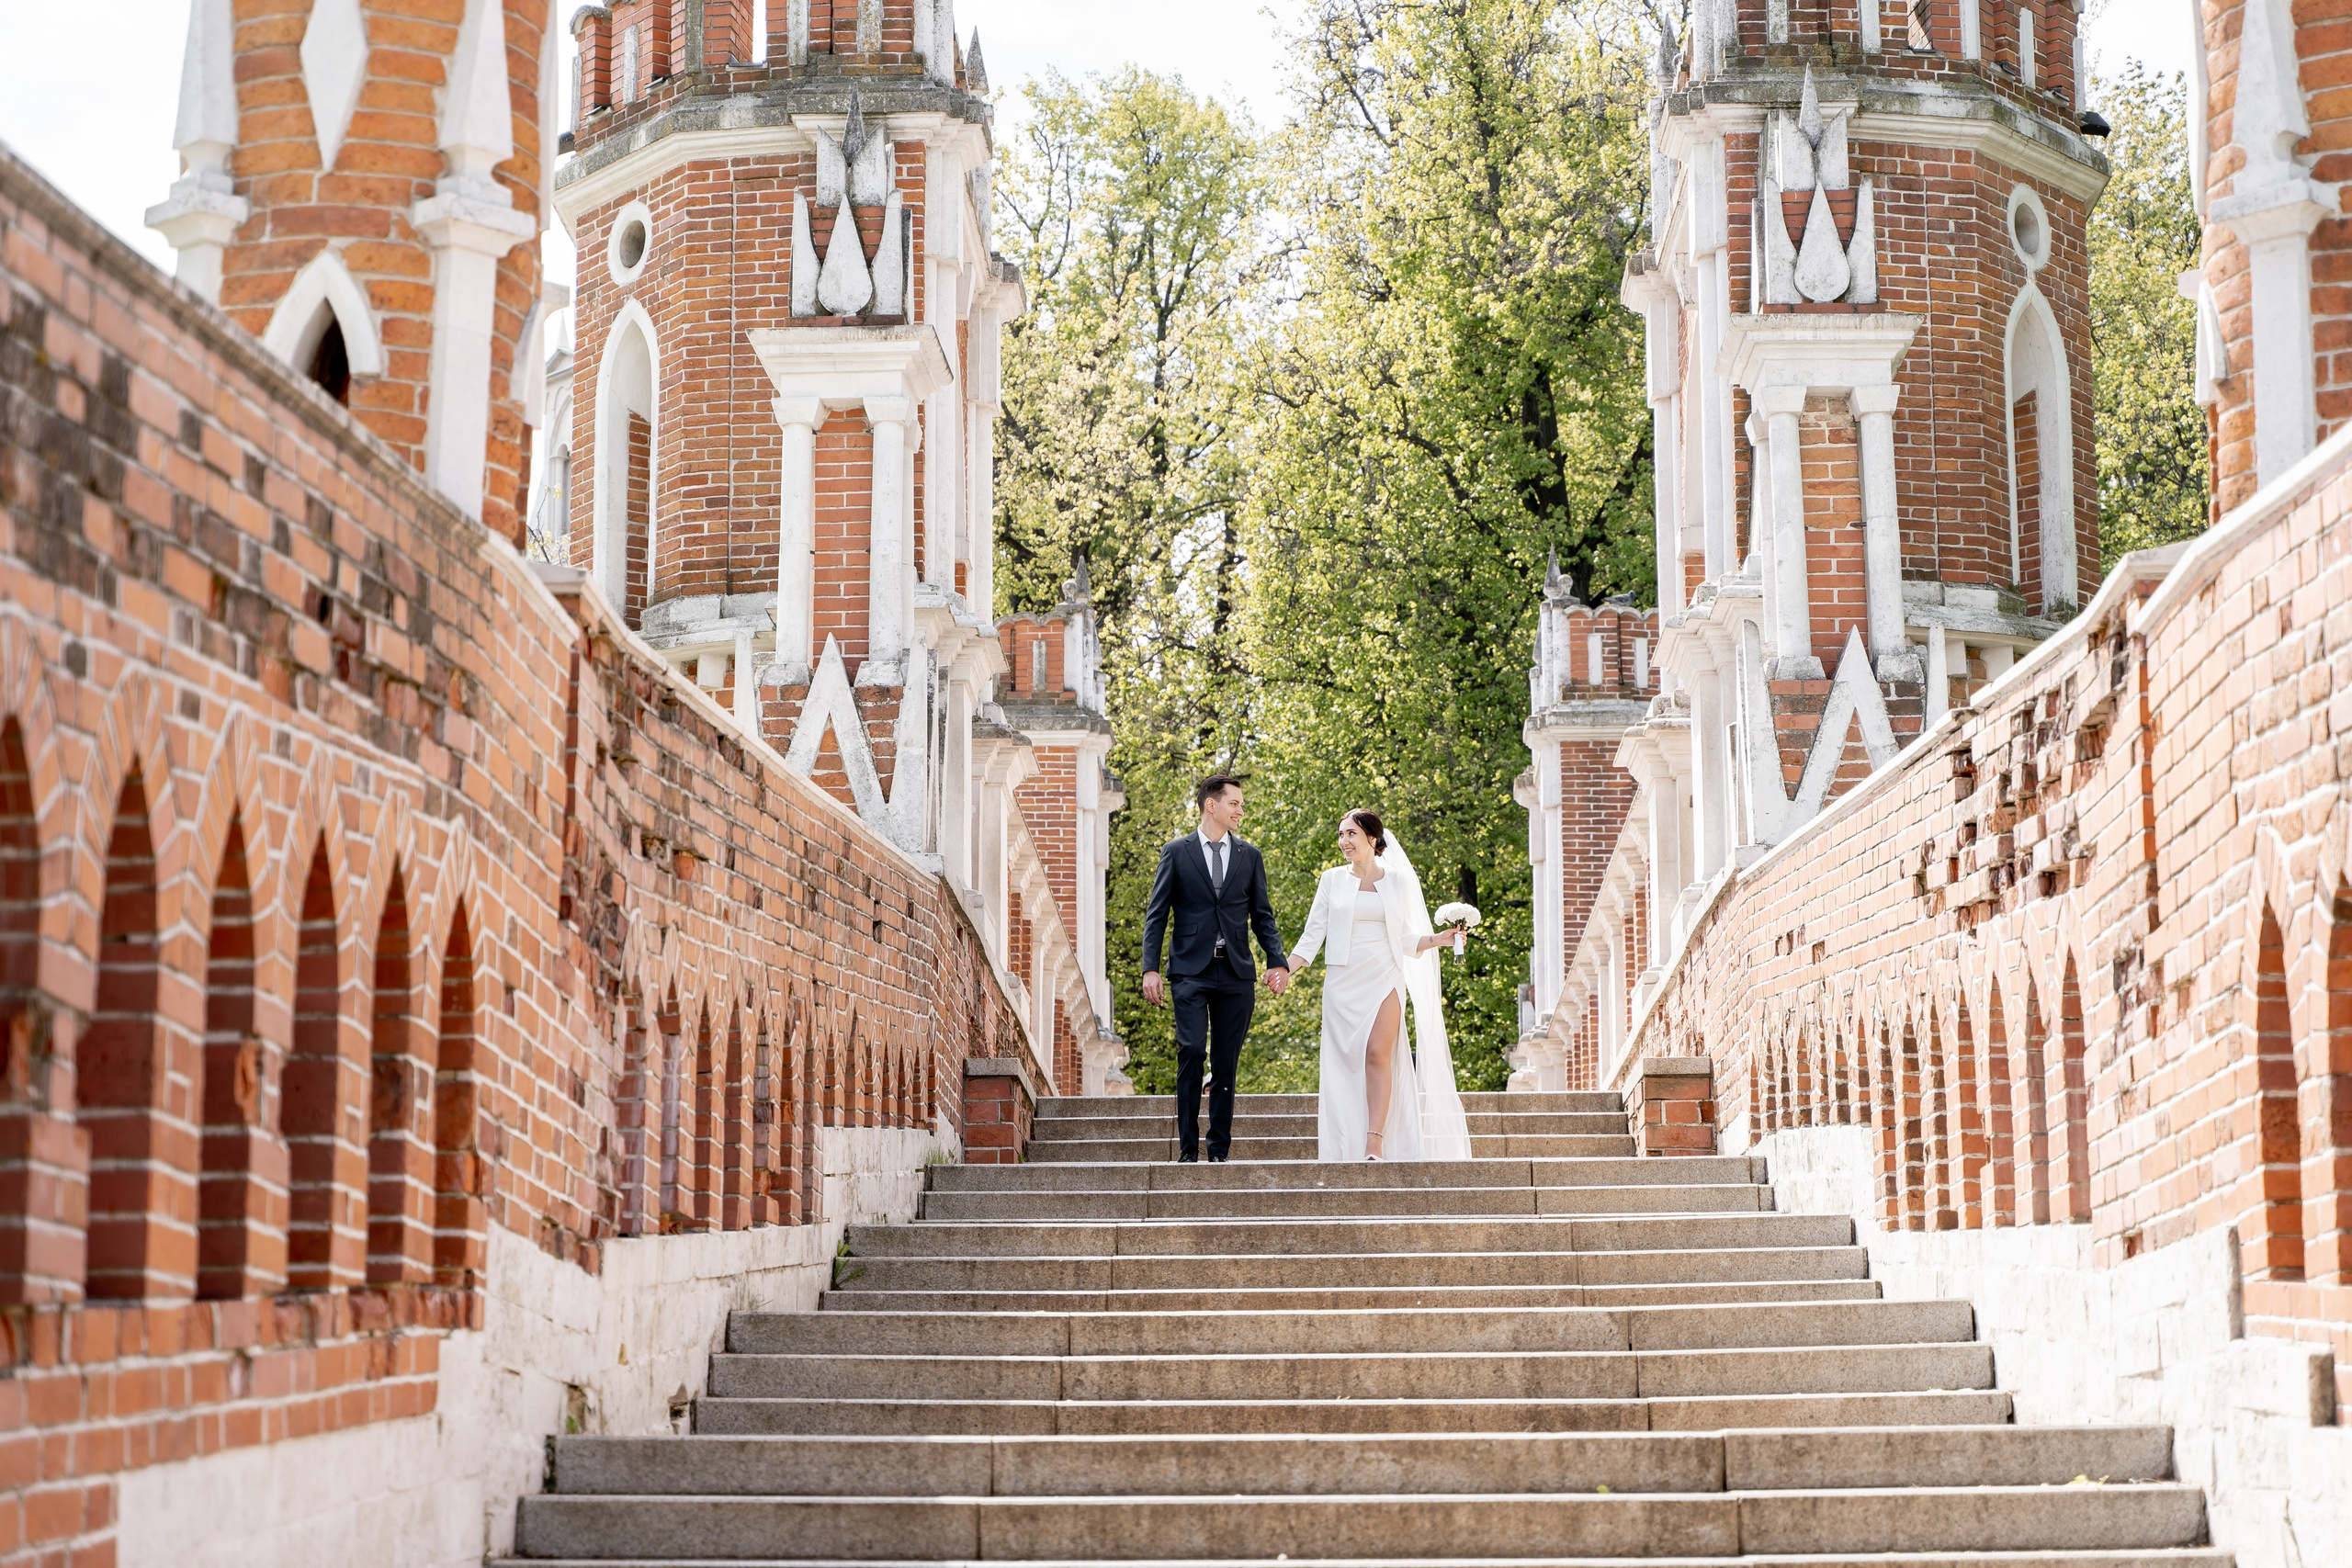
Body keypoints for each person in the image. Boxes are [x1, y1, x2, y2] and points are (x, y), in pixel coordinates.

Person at [1274, 809, 1474, 1162]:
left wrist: (1438, 939)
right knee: (1344, 1064)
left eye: (1350, 834)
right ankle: (1344, 1140)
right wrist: (1285, 969)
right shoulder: (1331, 880)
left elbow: (1404, 937)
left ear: (1372, 837)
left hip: (1386, 974)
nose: (1343, 842)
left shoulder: (1397, 880)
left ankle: (1374, 1141)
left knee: (1378, 1054)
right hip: (1343, 981)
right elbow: (1312, 936)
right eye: (1340, 835)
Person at [1141, 775, 1290, 1162]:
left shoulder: (1249, 856)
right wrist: (1150, 969)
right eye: (1235, 803)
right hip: (1190, 971)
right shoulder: (1176, 852)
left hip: (1237, 973)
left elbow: (1263, 917)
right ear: (1212, 805)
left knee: (1226, 1061)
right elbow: (1157, 916)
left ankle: (1218, 1150)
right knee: (1191, 1050)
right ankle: (1187, 1148)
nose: (1241, 810)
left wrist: (1278, 961)